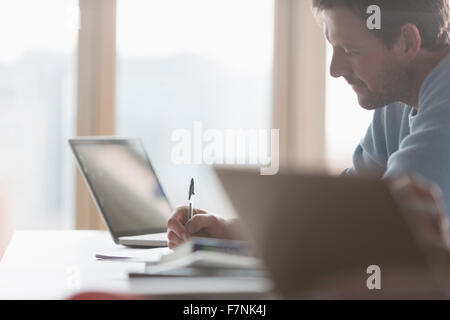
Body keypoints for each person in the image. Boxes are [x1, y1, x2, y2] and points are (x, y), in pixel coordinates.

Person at [167, 0, 450, 250]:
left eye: (350, 51)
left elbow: (385, 228)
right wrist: (232, 232)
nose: (334, 69)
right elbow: (345, 206)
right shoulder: (396, 103)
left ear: (406, 42)